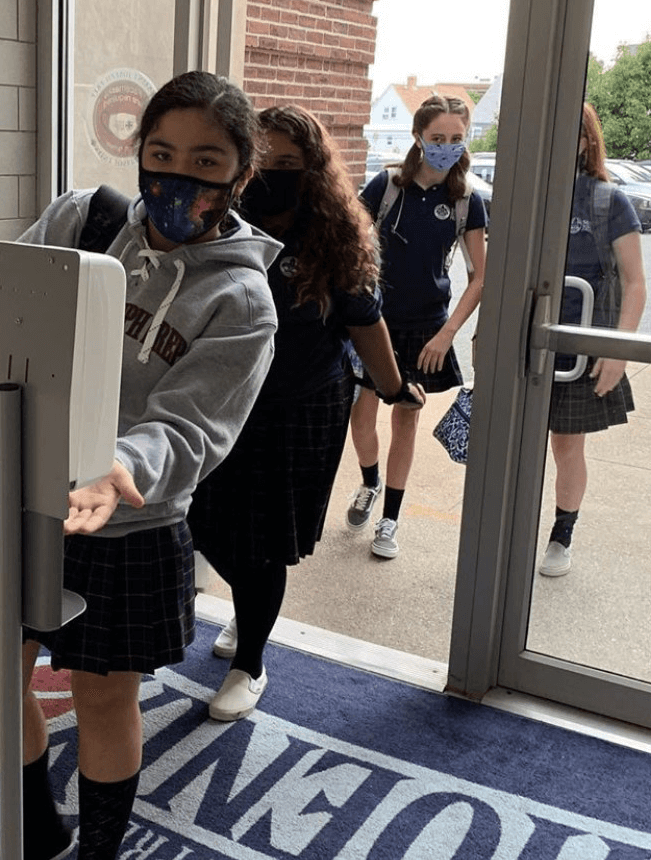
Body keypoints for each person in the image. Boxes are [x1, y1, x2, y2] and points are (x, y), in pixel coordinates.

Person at [0, 71, 281, 860]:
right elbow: (4, 306)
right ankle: (37, 831)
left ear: (238, 173)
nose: (177, 179)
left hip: (122, 522)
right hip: (13, 493)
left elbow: (192, 425)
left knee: (100, 700)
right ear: (137, 150)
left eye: (205, 162)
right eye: (160, 154)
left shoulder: (241, 296)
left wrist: (119, 467)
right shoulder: (81, 220)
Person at [187, 105, 424, 721]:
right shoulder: (217, 221)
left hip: (300, 407)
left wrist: (394, 388)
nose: (274, 175)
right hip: (221, 401)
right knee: (207, 522)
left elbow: (364, 323)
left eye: (288, 164)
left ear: (313, 170)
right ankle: (247, 609)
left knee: (264, 540)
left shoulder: (334, 234)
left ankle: (251, 661)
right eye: (263, 162)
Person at [347, 95, 488, 558]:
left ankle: (390, 519)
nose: (446, 147)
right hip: (375, 321)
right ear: (418, 138)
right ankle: (370, 483)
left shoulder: (467, 201)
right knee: (361, 415)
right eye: (437, 138)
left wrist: (447, 334)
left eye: (455, 139)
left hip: (427, 330)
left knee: (405, 419)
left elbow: (481, 276)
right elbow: (354, 247)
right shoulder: (387, 187)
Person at [540, 102, 646, 576]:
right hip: (528, 346)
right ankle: (510, 529)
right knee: (513, 447)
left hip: (580, 354)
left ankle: (562, 534)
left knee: (567, 447)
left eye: (569, 135)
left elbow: (636, 282)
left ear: (586, 142)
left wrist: (617, 352)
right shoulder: (529, 197)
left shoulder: (608, 201)